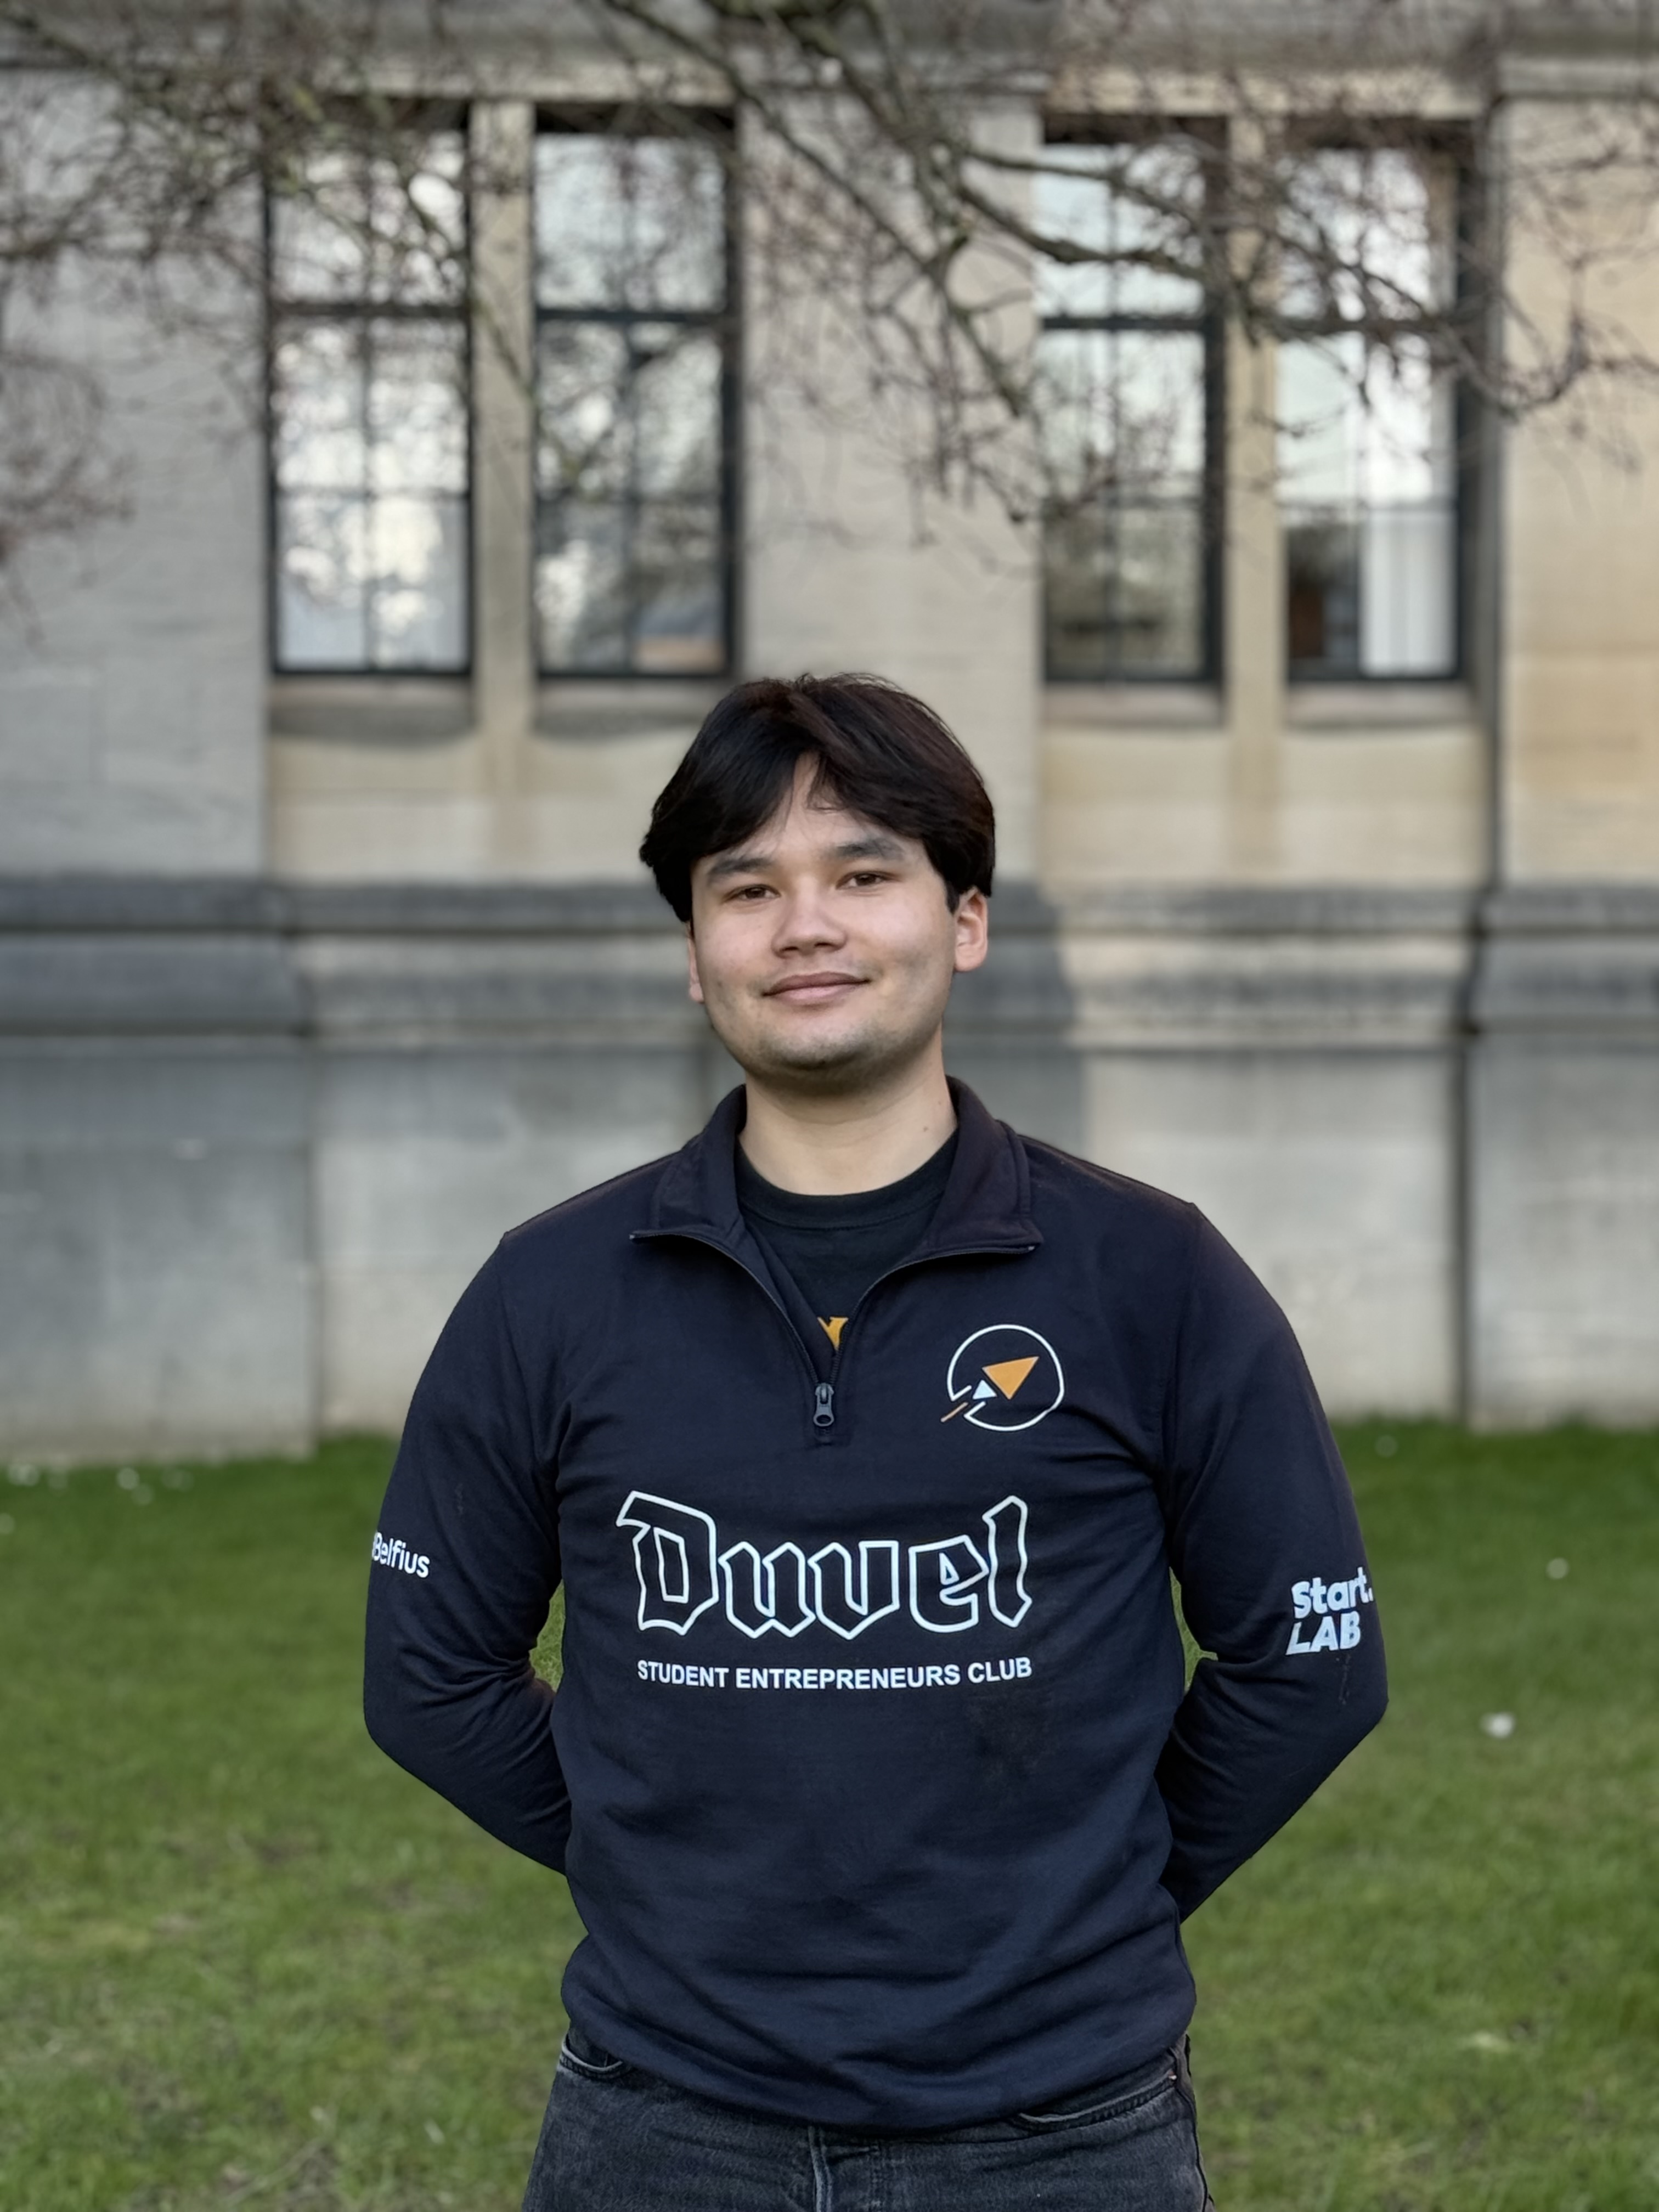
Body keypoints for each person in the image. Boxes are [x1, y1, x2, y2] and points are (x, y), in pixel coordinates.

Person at [364, 673, 1387, 2211]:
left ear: (964, 918)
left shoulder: (1151, 1275)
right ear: (695, 954)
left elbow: (1308, 1662)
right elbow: (430, 1675)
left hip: (1064, 2132)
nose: (806, 926)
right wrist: (655, 1877)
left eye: (862, 874)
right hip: (664, 2123)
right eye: (748, 887)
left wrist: (1097, 1897)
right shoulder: (554, 1289)